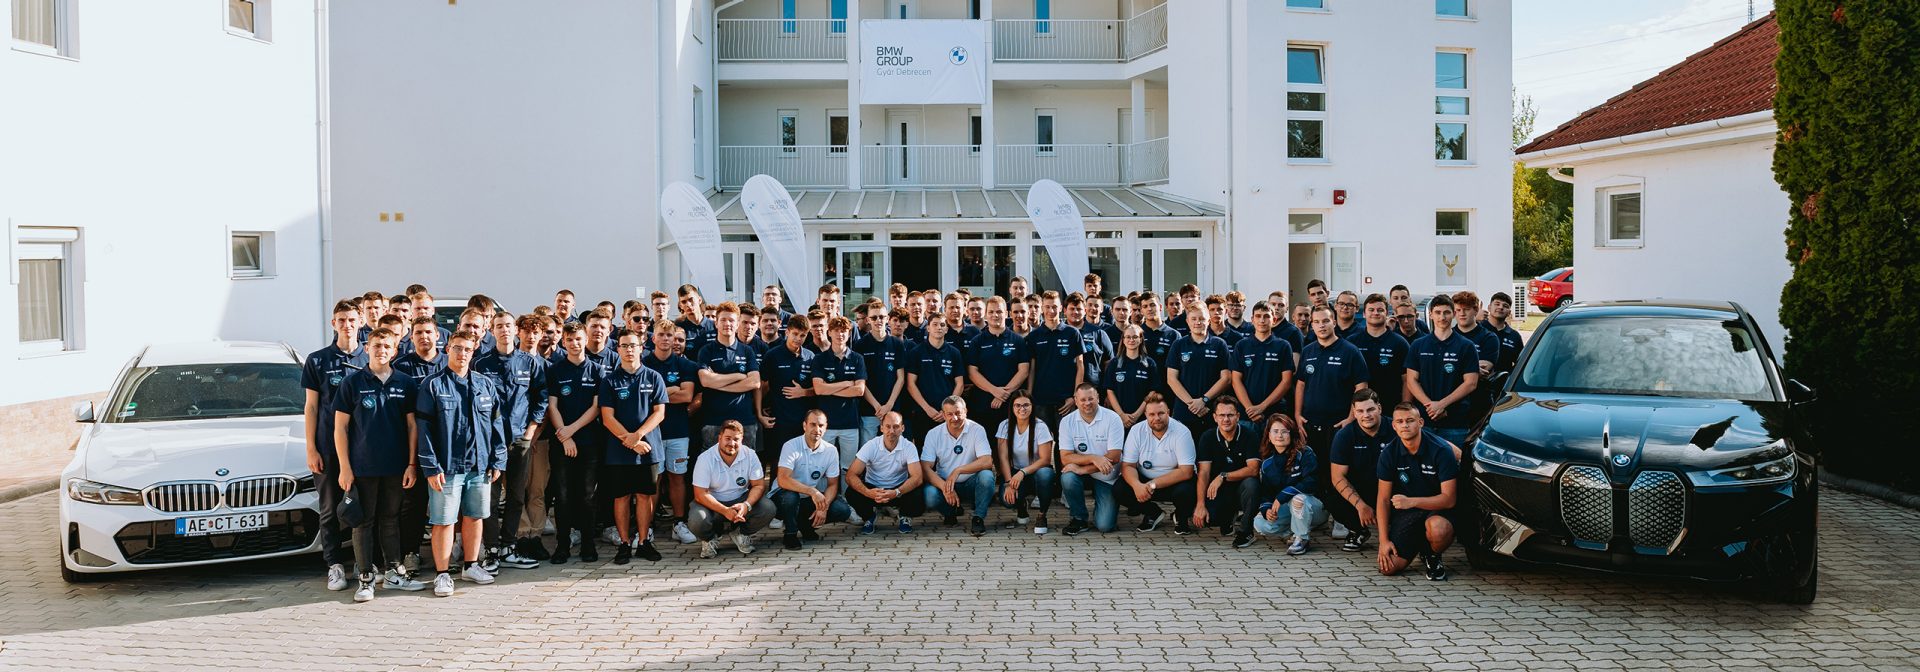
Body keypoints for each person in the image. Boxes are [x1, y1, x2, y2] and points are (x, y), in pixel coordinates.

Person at [331, 327, 426, 600]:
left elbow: (411, 427)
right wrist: (345, 467)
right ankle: (365, 577)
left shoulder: (405, 383)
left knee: (391, 519)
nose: (381, 350)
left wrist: (411, 464)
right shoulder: (352, 383)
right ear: (367, 348)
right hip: (362, 467)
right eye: (376, 346)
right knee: (363, 521)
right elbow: (340, 428)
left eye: (387, 346)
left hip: (395, 467)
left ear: (394, 350)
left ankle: (394, 572)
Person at [414, 330, 508, 597]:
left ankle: (471, 565)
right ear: (448, 350)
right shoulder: (433, 385)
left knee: (474, 516)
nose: (462, 353)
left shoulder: (484, 384)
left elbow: (497, 425)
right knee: (443, 521)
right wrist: (431, 467)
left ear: (474, 351)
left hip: (479, 466)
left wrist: (497, 459)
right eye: (457, 348)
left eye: (468, 349)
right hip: (447, 468)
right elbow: (424, 430)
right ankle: (442, 574)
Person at [472, 310, 547, 572]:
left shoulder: (530, 362)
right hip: (491, 443)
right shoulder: (481, 364)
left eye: (507, 326)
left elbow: (541, 398)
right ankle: (491, 550)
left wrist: (530, 432)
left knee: (516, 496)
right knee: (490, 499)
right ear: (492, 331)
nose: (504, 330)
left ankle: (508, 546)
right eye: (498, 326)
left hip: (519, 441)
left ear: (515, 330)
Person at [301, 300, 366, 593]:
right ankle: (335, 564)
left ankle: (366, 563)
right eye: (341, 320)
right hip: (328, 446)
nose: (347, 325)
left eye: (352, 319)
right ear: (333, 323)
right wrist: (311, 448)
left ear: (361, 321)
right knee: (329, 509)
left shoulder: (372, 356)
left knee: (364, 507)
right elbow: (312, 408)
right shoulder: (318, 360)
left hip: (365, 447)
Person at [1293, 304, 1370, 541]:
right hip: (1310, 424)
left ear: (1334, 321)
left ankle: (1342, 519)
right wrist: (1297, 414)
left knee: (1339, 474)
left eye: (1325, 321)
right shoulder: (1309, 350)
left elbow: (1361, 388)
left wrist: (1350, 418)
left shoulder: (1350, 351)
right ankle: (1318, 516)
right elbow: (1301, 384)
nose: (1321, 325)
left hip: (1338, 426)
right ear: (1312, 324)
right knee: (1316, 474)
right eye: (1316, 322)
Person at [598, 330, 668, 564]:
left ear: (641, 347)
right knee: (621, 497)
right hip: (618, 452)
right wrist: (628, 440)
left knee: (646, 496)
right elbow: (607, 418)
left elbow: (659, 413)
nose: (629, 350)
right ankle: (625, 543)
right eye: (624, 345)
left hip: (648, 449)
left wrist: (637, 437)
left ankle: (644, 542)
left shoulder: (653, 377)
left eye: (633, 345)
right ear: (617, 349)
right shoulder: (609, 381)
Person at [1376, 403, 1459, 581]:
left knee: (1438, 529)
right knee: (1388, 568)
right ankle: (1420, 544)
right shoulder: (1389, 453)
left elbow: (1449, 499)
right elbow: (1383, 500)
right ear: (1394, 425)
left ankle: (1432, 555)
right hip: (1408, 514)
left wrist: (1411, 501)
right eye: (1400, 421)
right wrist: (1383, 541)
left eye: (1410, 420)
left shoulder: (1441, 450)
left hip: (1438, 510)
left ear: (1420, 422)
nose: (1405, 425)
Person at [544, 322, 604, 564]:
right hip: (561, 443)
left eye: (579, 339)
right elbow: (552, 406)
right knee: (563, 495)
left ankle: (588, 544)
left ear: (585, 339)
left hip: (589, 441)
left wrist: (572, 430)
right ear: (564, 342)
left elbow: (596, 408)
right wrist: (564, 434)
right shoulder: (556, 370)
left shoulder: (597, 370)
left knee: (587, 495)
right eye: (570, 340)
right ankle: (563, 545)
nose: (575, 343)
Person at [643, 321, 703, 546]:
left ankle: (679, 523)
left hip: (678, 431)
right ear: (653, 338)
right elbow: (643, 399)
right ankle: (646, 526)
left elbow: (687, 396)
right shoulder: (644, 364)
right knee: (653, 480)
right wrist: (671, 390)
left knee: (677, 478)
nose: (666, 339)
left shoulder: (685, 365)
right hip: (651, 432)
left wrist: (657, 395)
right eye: (662, 334)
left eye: (670, 335)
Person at [687, 420, 775, 558]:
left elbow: (758, 485)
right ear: (719, 438)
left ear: (742, 440)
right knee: (697, 520)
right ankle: (710, 539)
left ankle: (741, 533)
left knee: (768, 508)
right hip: (712, 502)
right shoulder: (705, 458)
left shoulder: (750, 455)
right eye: (727, 438)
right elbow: (700, 494)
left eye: (736, 439)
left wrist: (746, 505)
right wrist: (725, 511)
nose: (731, 443)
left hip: (741, 499)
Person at [695, 301, 763, 480]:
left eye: (732, 320)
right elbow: (705, 380)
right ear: (716, 323)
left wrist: (717, 380)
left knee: (746, 470)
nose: (727, 324)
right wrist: (738, 376)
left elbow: (755, 382)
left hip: (745, 421)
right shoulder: (706, 351)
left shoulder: (747, 351)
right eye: (723, 320)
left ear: (738, 322)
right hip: (713, 421)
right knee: (712, 472)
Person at [1404, 293, 1481, 449]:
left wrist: (1442, 404)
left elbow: (1471, 383)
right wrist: (1430, 406)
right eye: (1438, 312)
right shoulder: (1418, 345)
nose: (1442, 317)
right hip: (1424, 420)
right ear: (1431, 315)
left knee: (1454, 468)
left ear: (1453, 314)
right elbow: (1411, 380)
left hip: (1455, 423)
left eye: (1446, 312)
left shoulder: (1466, 346)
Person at [772, 410, 855, 549]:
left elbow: (833, 484)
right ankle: (790, 534)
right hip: (783, 497)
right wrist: (812, 491)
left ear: (826, 427)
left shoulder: (831, 450)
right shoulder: (791, 445)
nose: (817, 429)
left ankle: (805, 526)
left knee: (842, 510)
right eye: (813, 424)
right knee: (790, 497)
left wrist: (824, 507)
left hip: (808, 498)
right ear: (804, 426)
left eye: (821, 425)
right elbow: (783, 480)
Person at [918, 396, 998, 536]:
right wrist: (945, 487)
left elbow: (987, 461)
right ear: (943, 414)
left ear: (965, 411)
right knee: (929, 494)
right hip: (945, 482)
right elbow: (925, 467)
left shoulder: (977, 429)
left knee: (987, 476)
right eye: (949, 414)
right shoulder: (933, 434)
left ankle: (978, 518)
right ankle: (950, 513)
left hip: (971, 482)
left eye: (958, 413)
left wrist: (958, 470)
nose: (954, 418)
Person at [1120, 393, 1199, 534]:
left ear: (1168, 413)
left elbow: (1186, 471)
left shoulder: (1182, 432)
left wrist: (1152, 484)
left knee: (1187, 491)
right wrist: (1137, 485)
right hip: (1145, 480)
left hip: (1174, 481)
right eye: (1152, 414)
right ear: (1145, 415)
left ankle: (1181, 516)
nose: (1157, 418)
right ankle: (1152, 513)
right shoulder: (1137, 430)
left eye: (1161, 413)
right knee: (1119, 489)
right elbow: (1128, 466)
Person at [1055, 383, 1128, 534]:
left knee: (1104, 526)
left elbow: (1114, 457)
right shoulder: (1067, 421)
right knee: (1068, 478)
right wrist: (1094, 458)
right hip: (1086, 471)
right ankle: (1079, 518)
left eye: (1091, 399)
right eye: (1082, 400)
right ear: (1075, 401)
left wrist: (1082, 469)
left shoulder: (1113, 418)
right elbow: (1065, 457)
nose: (1087, 403)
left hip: (1107, 476)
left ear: (1098, 398)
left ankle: (1103, 509)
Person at [1329, 390, 1396, 552]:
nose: (1366, 415)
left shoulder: (1396, 427)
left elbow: (1432, 442)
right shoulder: (1344, 435)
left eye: (1370, 409)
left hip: (1393, 490)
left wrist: (1459, 454)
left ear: (1379, 408)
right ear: (1354, 412)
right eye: (1360, 411)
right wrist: (1360, 506)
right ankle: (1358, 530)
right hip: (1362, 490)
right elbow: (1337, 477)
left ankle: (1397, 531)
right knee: (1331, 495)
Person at [1252, 414, 1326, 555]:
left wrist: (1282, 496)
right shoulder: (1267, 463)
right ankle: (1294, 530)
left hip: (1315, 508)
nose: (1279, 435)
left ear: (1291, 434)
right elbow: (1266, 493)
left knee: (1298, 499)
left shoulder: (1305, 453)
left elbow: (1312, 482)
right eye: (1275, 431)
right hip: (1290, 510)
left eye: (1285, 431)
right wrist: (1267, 509)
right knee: (1260, 523)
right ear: (1268, 435)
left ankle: (1302, 538)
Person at [1194, 398, 1262, 547]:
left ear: (1238, 416)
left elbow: (1253, 469)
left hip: (1241, 488)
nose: (1226, 419)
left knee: (1252, 484)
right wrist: (1200, 505)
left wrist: (1223, 476)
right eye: (1222, 415)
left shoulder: (1249, 435)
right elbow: (1204, 473)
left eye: (1230, 415)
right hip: (1218, 490)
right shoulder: (1207, 437)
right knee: (1210, 519)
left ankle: (1246, 532)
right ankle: (1227, 517)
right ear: (1215, 417)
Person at [845, 411, 926, 534]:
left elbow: (918, 477)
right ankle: (869, 517)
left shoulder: (909, 446)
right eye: (888, 426)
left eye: (896, 426)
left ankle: (905, 516)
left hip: (898, 490)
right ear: (881, 428)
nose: (891, 431)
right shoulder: (871, 445)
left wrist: (896, 492)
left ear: (902, 428)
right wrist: (868, 492)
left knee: (919, 492)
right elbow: (851, 475)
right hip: (874, 490)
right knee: (851, 493)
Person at [810, 316, 869, 470]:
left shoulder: (857, 359)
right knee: (823, 465)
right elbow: (819, 389)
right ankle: (824, 495)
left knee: (847, 467)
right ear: (829, 333)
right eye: (836, 331)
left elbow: (859, 390)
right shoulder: (820, 359)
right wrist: (845, 384)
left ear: (849, 334)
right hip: (826, 423)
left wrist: (829, 388)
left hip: (850, 423)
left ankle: (844, 495)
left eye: (844, 331)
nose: (840, 334)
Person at [994, 390, 1056, 534]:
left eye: (1026, 405)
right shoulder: (1004, 425)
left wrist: (1023, 472)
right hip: (1015, 473)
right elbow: (1002, 457)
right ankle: (1021, 506)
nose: (1022, 409)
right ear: (1012, 407)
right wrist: (1009, 482)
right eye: (1018, 405)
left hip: (1035, 472)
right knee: (1007, 500)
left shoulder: (1040, 426)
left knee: (1046, 474)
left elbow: (1045, 459)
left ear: (1032, 406)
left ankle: (1042, 515)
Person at [1166, 300, 1232, 435]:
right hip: (1184, 411)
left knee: (1209, 454)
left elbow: (1226, 378)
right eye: (1194, 319)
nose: (1198, 322)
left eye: (1202, 318)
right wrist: (1193, 404)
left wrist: (1204, 400)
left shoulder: (1219, 344)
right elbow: (1171, 379)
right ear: (1187, 321)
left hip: (1210, 411)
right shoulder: (1178, 344)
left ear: (1208, 320)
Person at [966, 297, 1030, 437]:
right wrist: (994, 391)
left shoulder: (1018, 340)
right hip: (983, 404)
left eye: (999, 311)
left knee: (1010, 445)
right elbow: (972, 372)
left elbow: (1024, 371)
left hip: (1011, 404)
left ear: (1006, 314)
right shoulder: (977, 341)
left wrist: (1003, 395)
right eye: (991, 312)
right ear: (986, 314)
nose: (995, 315)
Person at [758, 314, 817, 466]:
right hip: (780, 421)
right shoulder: (772, 355)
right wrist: (759, 412)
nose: (798, 338)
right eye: (795, 334)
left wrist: (804, 392)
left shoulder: (810, 357)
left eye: (803, 335)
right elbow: (760, 385)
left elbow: (818, 388)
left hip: (803, 421)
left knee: (803, 462)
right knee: (779, 462)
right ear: (787, 332)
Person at [1230, 300, 1296, 424]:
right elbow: (1235, 380)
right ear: (1252, 320)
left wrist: (1262, 406)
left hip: (1275, 414)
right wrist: (1250, 408)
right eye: (1258, 316)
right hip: (1247, 415)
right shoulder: (1242, 345)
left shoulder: (1283, 346)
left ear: (1274, 320)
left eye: (1266, 316)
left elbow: (1286, 381)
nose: (1262, 320)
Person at [854, 303, 909, 448]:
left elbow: (901, 378)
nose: (878, 320)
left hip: (892, 408)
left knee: (895, 449)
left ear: (887, 318)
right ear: (868, 320)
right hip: (869, 409)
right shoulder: (860, 345)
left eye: (881, 317)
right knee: (868, 451)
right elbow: (860, 381)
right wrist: (877, 406)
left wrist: (889, 404)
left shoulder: (897, 344)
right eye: (874, 317)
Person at [1026, 291, 1086, 419]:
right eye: (1047, 307)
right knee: (1043, 439)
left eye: (1054, 307)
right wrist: (1029, 396)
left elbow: (1080, 366)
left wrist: (1076, 396)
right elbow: (1031, 369)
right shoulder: (1033, 336)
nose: (1051, 310)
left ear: (1060, 308)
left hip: (1066, 400)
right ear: (1042, 308)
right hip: (1041, 399)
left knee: (1065, 439)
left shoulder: (1072, 333)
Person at [1346, 294, 1411, 409]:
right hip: (1359, 409)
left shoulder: (1400, 343)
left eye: (1380, 310)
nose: (1375, 313)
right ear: (1364, 314)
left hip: (1391, 408)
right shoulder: (1352, 342)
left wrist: (1405, 407)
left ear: (1386, 313)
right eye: (1371, 310)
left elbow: (1407, 380)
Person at [905, 317, 966, 441]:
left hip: (948, 415)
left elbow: (959, 384)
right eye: (935, 324)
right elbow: (911, 384)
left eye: (942, 325)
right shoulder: (916, 352)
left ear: (947, 330)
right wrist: (927, 408)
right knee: (923, 450)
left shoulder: (954, 353)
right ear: (928, 328)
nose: (939, 327)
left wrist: (947, 409)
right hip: (923, 412)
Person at [1102, 324, 1158, 428]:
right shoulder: (1114, 364)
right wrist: (1121, 415)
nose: (1131, 340)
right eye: (1128, 337)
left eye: (1135, 337)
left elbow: (1152, 392)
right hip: (1118, 419)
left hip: (1142, 418)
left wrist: (1137, 414)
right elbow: (1110, 391)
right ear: (1123, 340)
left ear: (1141, 339)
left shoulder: (1149, 364)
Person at [1482, 292, 1525, 376]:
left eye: (1505, 306)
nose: (1500, 307)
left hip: (1503, 385)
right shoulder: (1478, 329)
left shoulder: (1514, 336)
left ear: (1509, 312)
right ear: (1489, 307)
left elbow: (1520, 364)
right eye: (1497, 304)